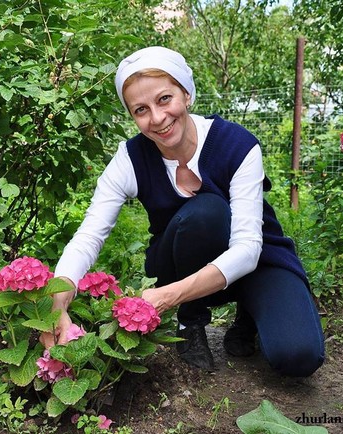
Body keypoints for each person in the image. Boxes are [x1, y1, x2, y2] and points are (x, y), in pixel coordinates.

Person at [39, 46, 325, 377]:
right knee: (204, 215)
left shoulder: (237, 144)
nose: (157, 118)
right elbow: (90, 234)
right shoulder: (130, 159)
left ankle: (252, 312)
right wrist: (57, 301)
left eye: (164, 99)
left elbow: (248, 249)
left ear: (186, 93)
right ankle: (192, 322)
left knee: (299, 355)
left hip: (257, 261)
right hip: (177, 257)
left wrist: (165, 297)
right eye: (141, 109)